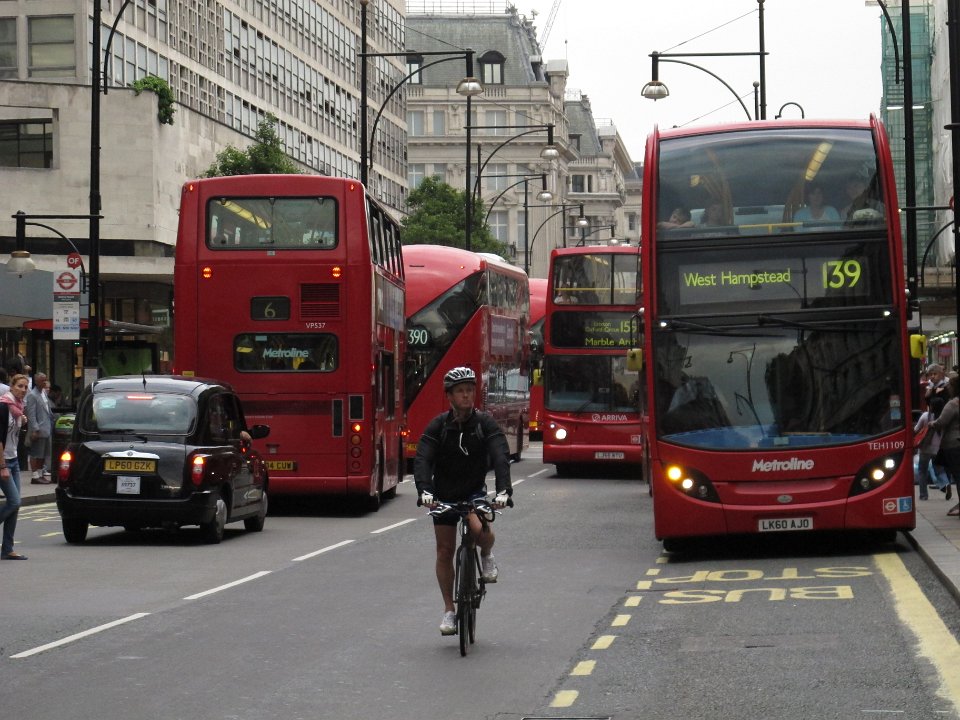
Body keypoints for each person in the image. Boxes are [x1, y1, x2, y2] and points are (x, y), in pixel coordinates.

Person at [413, 366, 513, 636]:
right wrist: (424, 491)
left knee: (480, 532)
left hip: (473, 492)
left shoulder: (484, 424)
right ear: (449, 396)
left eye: (470, 390)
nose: (467, 395)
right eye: (460, 391)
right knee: (444, 551)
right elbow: (423, 459)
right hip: (443, 494)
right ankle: (449, 610)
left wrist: (503, 491)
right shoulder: (438, 426)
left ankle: (487, 554)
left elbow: (500, 456)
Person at [0, 374, 30, 559]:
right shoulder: (3, 406)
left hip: (14, 460)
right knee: (14, 501)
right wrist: (2, 466)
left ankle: (7, 549)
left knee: (16, 505)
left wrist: (22, 420)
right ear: (11, 387)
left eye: (25, 387)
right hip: (3, 461)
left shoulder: (18, 408)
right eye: (20, 386)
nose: (23, 390)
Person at [927, 374, 960, 517]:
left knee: (958, 475)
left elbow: (941, 422)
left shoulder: (953, 404)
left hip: (953, 444)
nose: (948, 389)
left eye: (950, 386)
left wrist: (931, 424)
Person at [915, 395, 951, 501]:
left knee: (922, 471)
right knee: (939, 470)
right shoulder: (943, 418)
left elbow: (916, 429)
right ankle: (946, 484)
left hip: (925, 448)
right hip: (938, 449)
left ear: (931, 406)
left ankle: (923, 495)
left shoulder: (925, 416)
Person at [24, 372, 53, 484]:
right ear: (36, 382)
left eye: (45, 380)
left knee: (44, 454)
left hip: (47, 428)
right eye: (42, 380)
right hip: (39, 429)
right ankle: (35, 476)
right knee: (36, 453)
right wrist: (35, 429)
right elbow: (31, 414)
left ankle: (40, 475)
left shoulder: (44, 393)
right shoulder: (32, 395)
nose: (44, 382)